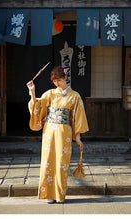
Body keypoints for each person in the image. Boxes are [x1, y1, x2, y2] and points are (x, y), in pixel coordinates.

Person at [27, 66, 89, 203]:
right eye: (54, 81)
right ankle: (48, 194)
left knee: (62, 162)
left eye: (59, 80)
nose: (57, 83)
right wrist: (32, 92)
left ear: (65, 78)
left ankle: (59, 194)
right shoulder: (50, 94)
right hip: (49, 130)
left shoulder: (75, 96)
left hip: (64, 132)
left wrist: (78, 138)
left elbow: (78, 118)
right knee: (48, 160)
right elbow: (37, 106)